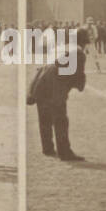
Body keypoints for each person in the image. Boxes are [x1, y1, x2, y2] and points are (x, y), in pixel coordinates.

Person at [28, 27, 88, 160]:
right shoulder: (78, 53)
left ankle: (47, 148)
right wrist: (80, 85)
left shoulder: (61, 47)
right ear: (83, 42)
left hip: (39, 83)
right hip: (54, 86)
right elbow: (77, 76)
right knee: (61, 120)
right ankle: (64, 152)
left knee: (44, 118)